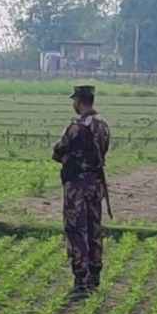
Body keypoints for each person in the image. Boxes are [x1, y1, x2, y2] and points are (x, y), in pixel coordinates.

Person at [52, 85, 111, 299]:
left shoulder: (75, 128)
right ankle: (94, 277)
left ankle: (81, 282)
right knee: (94, 229)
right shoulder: (103, 126)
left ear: (79, 101)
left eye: (74, 100)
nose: (73, 104)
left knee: (77, 231)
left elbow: (58, 152)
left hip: (77, 186)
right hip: (96, 186)